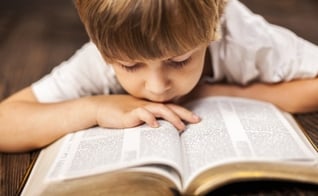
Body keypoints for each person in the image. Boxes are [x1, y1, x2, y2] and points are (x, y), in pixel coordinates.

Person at [1, 0, 318, 152]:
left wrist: (213, 92)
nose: (157, 86)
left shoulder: (242, 36)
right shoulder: (99, 58)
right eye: (130, 66)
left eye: (179, 60)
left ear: (213, 28)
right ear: (100, 46)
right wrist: (96, 107)